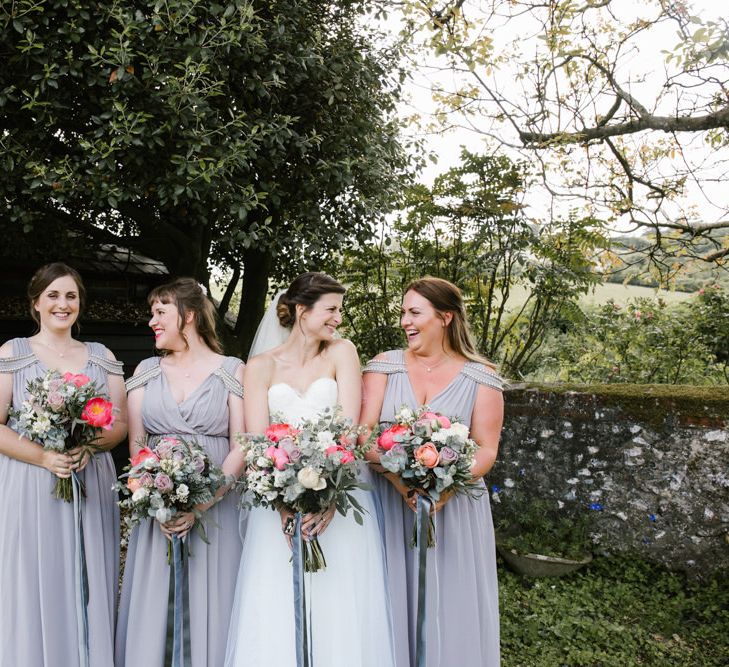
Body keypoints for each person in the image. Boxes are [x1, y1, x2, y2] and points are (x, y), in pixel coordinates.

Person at [224, 272, 396, 667]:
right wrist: (283, 505)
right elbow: (256, 441)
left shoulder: (342, 353)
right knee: (276, 602)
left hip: (338, 493)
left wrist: (330, 497)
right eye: (331, 309)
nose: (338, 318)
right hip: (278, 502)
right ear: (303, 310)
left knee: (340, 600)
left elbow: (349, 431)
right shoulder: (260, 366)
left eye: (340, 309)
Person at [360, 276, 504, 667]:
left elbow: (487, 448)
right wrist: (400, 480)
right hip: (388, 503)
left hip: (454, 508)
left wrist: (445, 489)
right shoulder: (382, 367)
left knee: (450, 599)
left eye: (415, 313)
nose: (405, 321)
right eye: (403, 312)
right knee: (387, 597)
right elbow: (363, 434)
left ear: (445, 317)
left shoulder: (482, 377)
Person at [0, 262, 127, 666]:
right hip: (30, 479)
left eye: (71, 296)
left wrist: (88, 447)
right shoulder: (12, 353)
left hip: (88, 477)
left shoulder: (101, 356)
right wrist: (43, 456)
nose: (62, 304)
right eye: (53, 295)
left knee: (86, 573)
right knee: (33, 574)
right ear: (36, 302)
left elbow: (120, 423)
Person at [115, 277, 245, 667]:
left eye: (160, 312)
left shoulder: (232, 370)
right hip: (159, 511)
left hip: (217, 509)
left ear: (187, 316)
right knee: (157, 597)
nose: (152, 321)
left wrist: (203, 501)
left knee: (214, 595)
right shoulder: (146, 370)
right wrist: (156, 495)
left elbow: (242, 443)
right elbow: (137, 444)